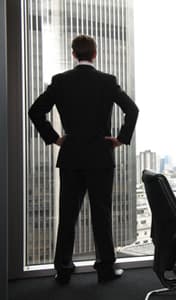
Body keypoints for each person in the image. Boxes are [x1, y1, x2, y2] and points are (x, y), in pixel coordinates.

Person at [28, 35, 139, 284]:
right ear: (95, 54)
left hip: (71, 157)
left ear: (73, 54)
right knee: (101, 214)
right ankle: (105, 270)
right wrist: (120, 139)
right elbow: (132, 110)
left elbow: (35, 111)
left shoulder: (60, 81)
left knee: (67, 215)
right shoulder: (107, 82)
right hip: (100, 157)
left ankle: (63, 270)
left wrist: (55, 138)